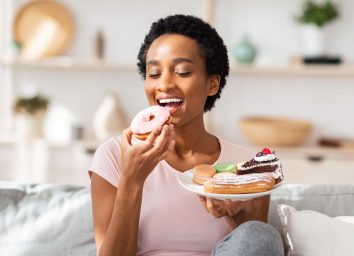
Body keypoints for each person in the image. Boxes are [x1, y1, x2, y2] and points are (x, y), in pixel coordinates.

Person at [89, 14, 284, 256]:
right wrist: (132, 180)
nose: (164, 84)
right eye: (154, 73)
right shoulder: (114, 155)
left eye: (182, 72)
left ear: (212, 84)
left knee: (259, 234)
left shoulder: (247, 167)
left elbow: (252, 247)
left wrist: (237, 215)